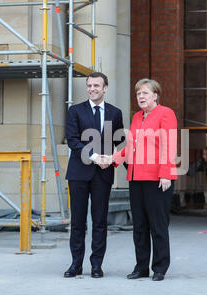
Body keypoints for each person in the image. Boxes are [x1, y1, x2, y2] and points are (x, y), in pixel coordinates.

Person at [108, 78, 177, 281]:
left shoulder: (166, 113)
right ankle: (141, 267)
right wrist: (112, 159)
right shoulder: (137, 117)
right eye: (138, 93)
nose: (141, 96)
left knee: (158, 224)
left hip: (158, 178)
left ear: (155, 95)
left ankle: (160, 267)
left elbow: (169, 144)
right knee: (139, 226)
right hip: (136, 177)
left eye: (145, 93)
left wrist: (165, 173)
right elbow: (131, 148)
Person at [64, 72, 124, 278]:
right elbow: (72, 140)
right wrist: (94, 156)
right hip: (78, 173)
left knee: (99, 221)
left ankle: (96, 265)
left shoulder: (115, 113)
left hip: (103, 175)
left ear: (105, 88)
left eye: (96, 85)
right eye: (89, 85)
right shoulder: (75, 111)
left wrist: (116, 160)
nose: (92, 89)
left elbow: (119, 142)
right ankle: (76, 264)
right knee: (78, 222)